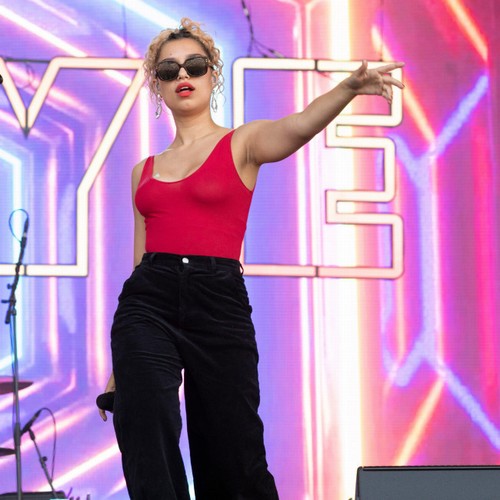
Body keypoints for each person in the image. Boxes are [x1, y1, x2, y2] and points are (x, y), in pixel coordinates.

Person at [97, 17, 404, 500]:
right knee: (143, 425)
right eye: (169, 70)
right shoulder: (144, 171)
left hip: (217, 299)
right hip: (147, 300)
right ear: (157, 86)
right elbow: (141, 261)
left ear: (212, 74)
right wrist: (122, 367)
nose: (183, 75)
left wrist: (347, 88)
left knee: (234, 450)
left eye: (195, 65)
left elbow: (297, 126)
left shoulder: (242, 142)